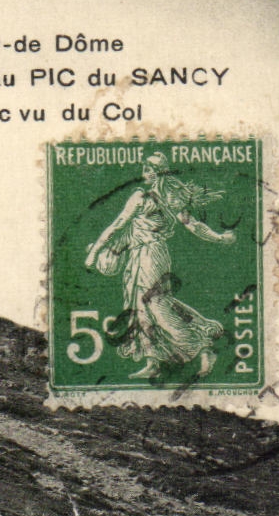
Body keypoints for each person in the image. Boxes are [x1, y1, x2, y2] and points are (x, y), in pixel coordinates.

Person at [85, 152, 235, 380]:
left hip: (151, 255)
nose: (144, 172)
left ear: (153, 172)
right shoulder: (169, 198)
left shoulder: (142, 196)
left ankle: (203, 348)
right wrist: (219, 238)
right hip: (139, 254)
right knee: (139, 309)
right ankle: (152, 360)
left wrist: (94, 252)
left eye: (147, 168)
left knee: (157, 305)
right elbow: (192, 225)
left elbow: (118, 225)